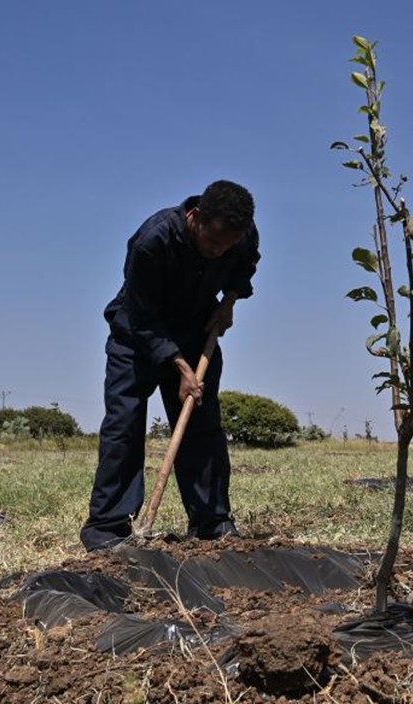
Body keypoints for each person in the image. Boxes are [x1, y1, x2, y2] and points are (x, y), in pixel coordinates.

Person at [80, 180, 260, 552]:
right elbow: (143, 316)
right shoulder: (152, 241)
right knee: (123, 426)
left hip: (196, 331)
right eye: (212, 242)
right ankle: (108, 530)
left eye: (226, 246)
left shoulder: (241, 235)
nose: (217, 252)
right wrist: (181, 368)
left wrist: (229, 302)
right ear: (195, 218)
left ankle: (212, 524)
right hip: (137, 335)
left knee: (203, 426)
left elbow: (244, 265)